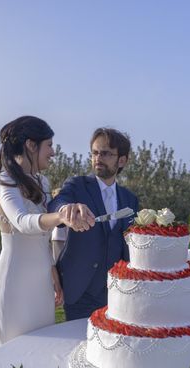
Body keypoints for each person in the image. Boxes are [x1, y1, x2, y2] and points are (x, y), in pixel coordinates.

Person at [0, 116, 95, 356]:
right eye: (49, 145)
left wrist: (52, 269)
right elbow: (23, 223)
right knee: (10, 354)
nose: (53, 152)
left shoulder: (41, 181)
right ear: (31, 145)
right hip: (14, 282)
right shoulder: (6, 179)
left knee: (39, 352)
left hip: (41, 283)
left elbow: (41, 239)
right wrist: (61, 217)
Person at [47, 127, 139, 321]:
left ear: (122, 160)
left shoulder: (130, 200)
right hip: (80, 290)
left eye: (105, 153)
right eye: (95, 153)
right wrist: (65, 210)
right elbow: (57, 203)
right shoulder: (76, 186)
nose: (98, 158)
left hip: (117, 292)